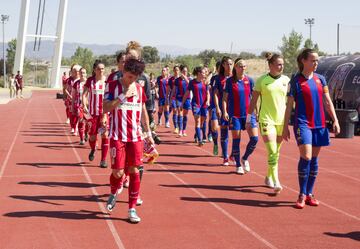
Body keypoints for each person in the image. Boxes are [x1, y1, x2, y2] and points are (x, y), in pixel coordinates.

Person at [282, 48, 340, 208]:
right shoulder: (295, 81)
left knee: (314, 159)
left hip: (320, 124)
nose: (316, 63)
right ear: (304, 61)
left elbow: (328, 101)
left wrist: (335, 120)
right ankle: (301, 194)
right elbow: (289, 106)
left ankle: (309, 193)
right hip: (302, 124)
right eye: (313, 60)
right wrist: (285, 125)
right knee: (306, 156)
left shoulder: (321, 79)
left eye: (317, 60)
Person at [103, 58, 154, 223]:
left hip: (136, 138)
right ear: (123, 70)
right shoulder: (111, 85)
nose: (130, 79)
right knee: (118, 172)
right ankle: (113, 192)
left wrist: (148, 133)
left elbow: (143, 111)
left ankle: (131, 208)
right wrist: (123, 96)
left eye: (134, 77)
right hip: (118, 137)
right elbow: (106, 107)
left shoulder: (140, 89)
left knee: (134, 171)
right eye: (128, 75)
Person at [246, 53, 290, 194]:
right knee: (271, 151)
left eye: (282, 64)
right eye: (278, 64)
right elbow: (253, 101)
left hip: (281, 121)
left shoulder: (286, 80)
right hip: (266, 120)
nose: (281, 66)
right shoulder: (262, 80)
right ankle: (276, 181)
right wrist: (248, 118)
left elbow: (290, 102)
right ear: (270, 65)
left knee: (276, 152)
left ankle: (268, 176)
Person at [222, 58, 258, 174]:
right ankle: (238, 164)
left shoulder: (250, 80)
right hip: (235, 115)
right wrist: (225, 112)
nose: (243, 68)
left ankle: (245, 158)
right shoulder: (229, 81)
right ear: (235, 68)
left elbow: (253, 98)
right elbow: (224, 99)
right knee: (236, 140)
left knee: (254, 139)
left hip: (248, 114)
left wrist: (256, 112)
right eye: (240, 66)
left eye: (244, 66)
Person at [82, 60, 109, 168]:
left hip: (104, 114)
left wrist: (106, 113)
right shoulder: (90, 81)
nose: (101, 71)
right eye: (99, 69)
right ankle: (93, 149)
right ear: (94, 70)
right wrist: (84, 105)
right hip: (92, 114)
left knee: (105, 135)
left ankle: (103, 160)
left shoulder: (107, 81)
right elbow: (84, 94)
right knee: (92, 137)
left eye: (102, 68)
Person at [182, 66, 210, 146]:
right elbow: (187, 93)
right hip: (196, 104)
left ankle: (196, 134)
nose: (204, 74)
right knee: (197, 121)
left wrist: (208, 101)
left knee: (202, 122)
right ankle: (200, 140)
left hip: (204, 105)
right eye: (203, 73)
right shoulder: (192, 82)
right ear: (198, 73)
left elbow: (208, 93)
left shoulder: (205, 82)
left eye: (205, 73)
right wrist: (183, 103)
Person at [214, 57, 233, 165]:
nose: (230, 66)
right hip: (224, 109)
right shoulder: (218, 78)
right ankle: (225, 156)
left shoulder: (235, 77)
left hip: (235, 110)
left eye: (231, 64)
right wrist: (217, 107)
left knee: (236, 133)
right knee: (224, 132)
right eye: (227, 64)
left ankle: (234, 155)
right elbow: (216, 94)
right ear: (223, 66)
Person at [173, 65, 191, 137]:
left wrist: (185, 78)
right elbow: (174, 89)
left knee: (185, 115)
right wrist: (171, 98)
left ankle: (184, 130)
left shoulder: (189, 79)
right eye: (183, 71)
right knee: (180, 113)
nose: (185, 72)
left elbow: (190, 85)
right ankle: (180, 130)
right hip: (179, 98)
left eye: (186, 71)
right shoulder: (177, 80)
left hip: (187, 98)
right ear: (181, 72)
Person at [208, 61, 221, 155]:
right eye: (220, 67)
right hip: (214, 106)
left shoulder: (229, 79)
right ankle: (216, 144)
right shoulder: (214, 78)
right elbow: (206, 83)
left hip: (226, 107)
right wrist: (211, 73)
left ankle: (226, 152)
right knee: (215, 127)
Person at [72, 67, 87, 145]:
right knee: (81, 121)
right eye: (81, 73)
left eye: (84, 73)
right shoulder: (76, 83)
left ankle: (86, 134)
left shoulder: (89, 82)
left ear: (86, 74)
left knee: (88, 123)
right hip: (79, 106)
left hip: (88, 107)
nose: (82, 74)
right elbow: (73, 96)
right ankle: (82, 139)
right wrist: (72, 107)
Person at [168, 65, 181, 134]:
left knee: (180, 112)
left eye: (177, 70)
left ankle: (180, 127)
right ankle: (176, 127)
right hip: (173, 97)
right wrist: (168, 98)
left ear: (179, 71)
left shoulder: (182, 78)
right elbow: (169, 89)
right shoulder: (171, 79)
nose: (176, 71)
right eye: (175, 70)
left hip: (180, 98)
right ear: (173, 71)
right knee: (175, 111)